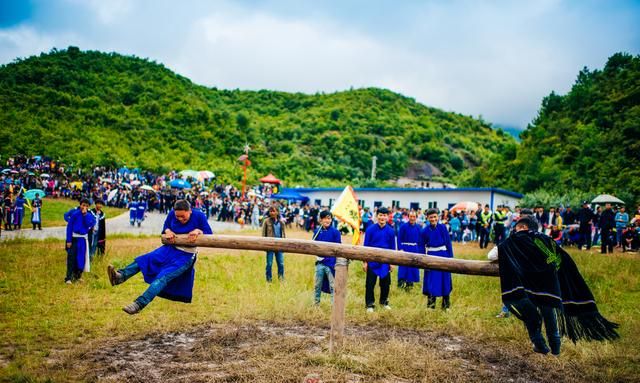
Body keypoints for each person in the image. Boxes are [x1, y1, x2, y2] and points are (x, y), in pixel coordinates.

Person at [489, 216, 619, 356]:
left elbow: (491, 256)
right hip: (549, 287)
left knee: (531, 317)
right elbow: (561, 259)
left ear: (522, 227)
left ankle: (539, 344)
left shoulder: (512, 241)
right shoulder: (547, 240)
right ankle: (555, 348)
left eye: (517, 227)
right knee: (550, 316)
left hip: (526, 289)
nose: (515, 229)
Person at [107, 199, 212, 314]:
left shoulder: (199, 216)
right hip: (169, 249)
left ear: (190, 211)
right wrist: (168, 231)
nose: (180, 219)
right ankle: (120, 277)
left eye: (183, 217)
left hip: (185, 255)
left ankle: (139, 304)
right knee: (145, 259)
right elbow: (166, 226)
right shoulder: (172, 213)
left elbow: (209, 233)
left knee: (162, 277)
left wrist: (198, 231)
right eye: (178, 217)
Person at [363, 207, 396, 312]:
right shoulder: (370, 229)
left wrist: (392, 263)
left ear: (388, 217)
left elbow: (392, 248)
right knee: (370, 284)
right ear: (377, 216)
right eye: (380, 215)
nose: (382, 217)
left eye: (384, 215)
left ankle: (384, 302)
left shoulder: (391, 231)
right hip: (372, 261)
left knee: (386, 284)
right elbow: (365, 246)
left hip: (385, 262)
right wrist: (365, 262)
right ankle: (369, 304)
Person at [421, 208, 453, 309]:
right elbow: (422, 246)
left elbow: (448, 243)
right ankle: (431, 305)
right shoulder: (425, 230)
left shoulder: (443, 227)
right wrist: (423, 261)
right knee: (432, 281)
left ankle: (446, 305)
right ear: (427, 218)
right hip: (431, 256)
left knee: (445, 280)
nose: (433, 219)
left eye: (435, 217)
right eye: (431, 217)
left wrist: (450, 258)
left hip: (443, 255)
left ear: (438, 217)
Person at [312, 210, 342, 305]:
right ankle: (316, 303)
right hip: (320, 262)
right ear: (321, 220)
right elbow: (313, 245)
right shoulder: (317, 231)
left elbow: (338, 248)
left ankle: (334, 305)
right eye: (325, 218)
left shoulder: (336, 232)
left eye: (329, 218)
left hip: (331, 263)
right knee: (317, 284)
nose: (327, 220)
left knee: (333, 285)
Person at [65, 198, 97, 284]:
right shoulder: (75, 214)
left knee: (81, 259)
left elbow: (90, 224)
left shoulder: (89, 215)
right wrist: (69, 240)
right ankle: (68, 277)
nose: (84, 207)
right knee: (72, 258)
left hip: (83, 239)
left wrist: (85, 215)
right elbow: (69, 227)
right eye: (83, 205)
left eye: (86, 206)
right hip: (74, 238)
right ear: (80, 205)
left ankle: (77, 276)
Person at [397, 210, 423, 290]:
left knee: (412, 268)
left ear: (416, 217)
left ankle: (409, 286)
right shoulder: (403, 226)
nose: (412, 218)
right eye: (411, 216)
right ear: (408, 217)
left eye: (414, 217)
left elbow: (420, 241)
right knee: (403, 267)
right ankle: (401, 284)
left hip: (414, 249)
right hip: (405, 248)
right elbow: (399, 238)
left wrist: (420, 251)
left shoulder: (418, 228)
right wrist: (400, 248)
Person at [262, 206, 286, 282]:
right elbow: (263, 234)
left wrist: (284, 246)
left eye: (274, 211)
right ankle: (268, 280)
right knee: (269, 264)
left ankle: (281, 279)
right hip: (270, 246)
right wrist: (264, 246)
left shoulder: (281, 223)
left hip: (280, 246)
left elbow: (284, 235)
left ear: (277, 212)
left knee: (281, 264)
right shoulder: (266, 221)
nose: (272, 213)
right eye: (271, 211)